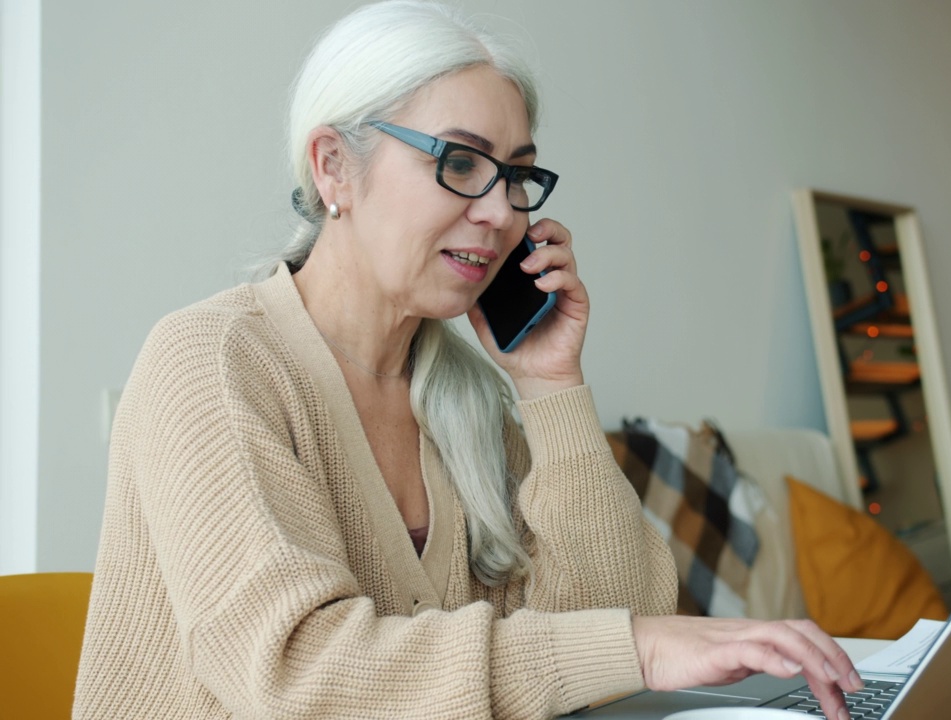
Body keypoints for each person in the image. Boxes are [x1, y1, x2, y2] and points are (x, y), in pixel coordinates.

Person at [72, 2, 862, 718]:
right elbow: (301, 677)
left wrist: (551, 384)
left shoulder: (464, 399)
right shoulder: (211, 363)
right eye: (459, 162)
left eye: (518, 176)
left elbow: (607, 632)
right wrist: (642, 645)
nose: (499, 212)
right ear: (333, 167)